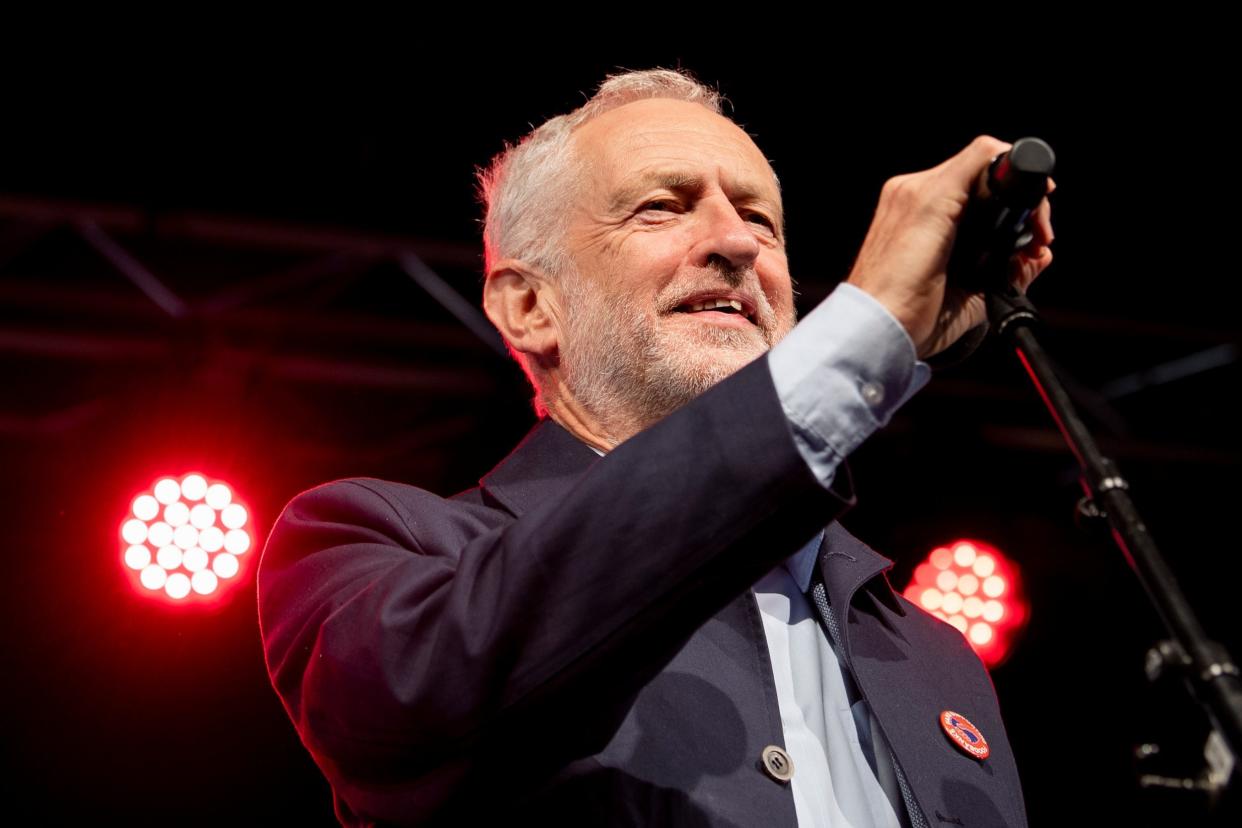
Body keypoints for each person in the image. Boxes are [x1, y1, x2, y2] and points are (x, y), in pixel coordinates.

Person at [258, 68, 1053, 826]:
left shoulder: (934, 656)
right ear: (531, 306)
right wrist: (864, 333)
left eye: (760, 219)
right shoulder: (375, 547)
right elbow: (419, 706)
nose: (735, 244)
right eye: (661, 208)